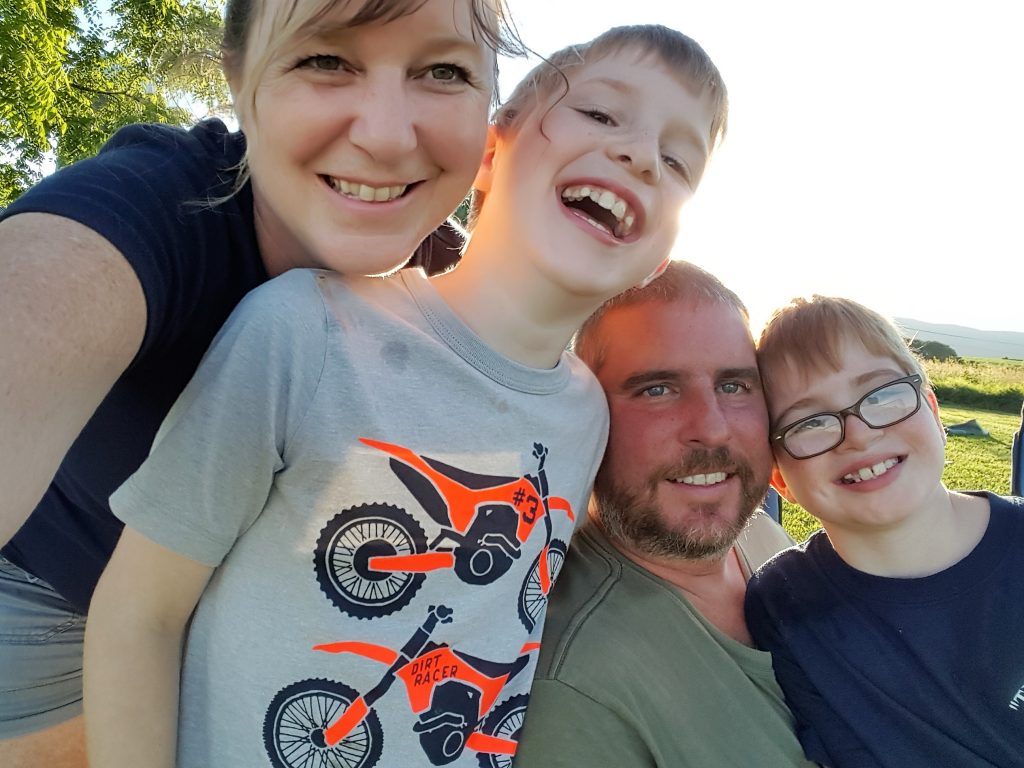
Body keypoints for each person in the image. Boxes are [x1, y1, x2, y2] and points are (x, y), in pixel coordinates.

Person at [82, 24, 729, 767]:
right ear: (490, 152)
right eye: (602, 114)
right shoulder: (303, 330)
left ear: (660, 256)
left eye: (676, 161)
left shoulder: (589, 417)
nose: (640, 155)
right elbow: (141, 613)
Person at [0, 0, 522, 763]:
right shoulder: (154, 211)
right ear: (240, 79)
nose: (386, 134)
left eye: (443, 71)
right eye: (325, 61)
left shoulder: (458, 292)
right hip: (47, 625)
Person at [512, 261, 815, 767]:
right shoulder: (582, 692)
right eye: (657, 389)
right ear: (584, 413)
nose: (712, 428)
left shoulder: (761, 538)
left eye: (734, 386)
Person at [745, 295, 1024, 768]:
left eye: (881, 395)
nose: (858, 434)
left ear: (933, 411)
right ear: (779, 479)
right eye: (810, 422)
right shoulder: (782, 605)